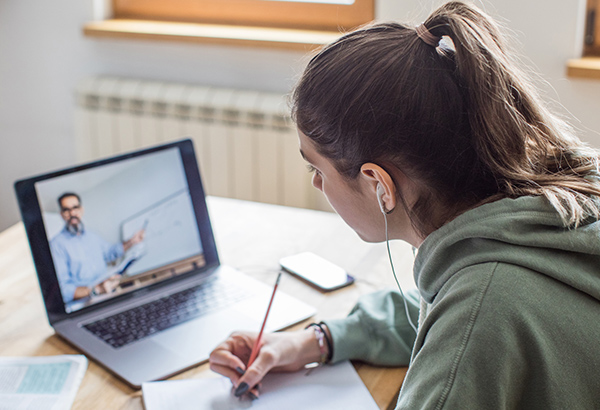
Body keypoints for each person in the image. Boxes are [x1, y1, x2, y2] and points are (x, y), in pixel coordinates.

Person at [209, 1, 600, 408]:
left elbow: (470, 322)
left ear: (379, 183)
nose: (316, 184)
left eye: (318, 168)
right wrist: (316, 340)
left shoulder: (484, 314)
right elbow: (437, 310)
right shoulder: (553, 209)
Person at [50, 192, 145, 303]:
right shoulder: (56, 244)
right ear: (61, 214)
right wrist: (96, 290)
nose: (72, 213)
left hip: (108, 294)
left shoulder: (92, 236)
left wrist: (132, 241)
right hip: (85, 304)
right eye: (66, 210)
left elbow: (110, 253)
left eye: (75, 207)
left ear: (81, 210)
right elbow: (63, 290)